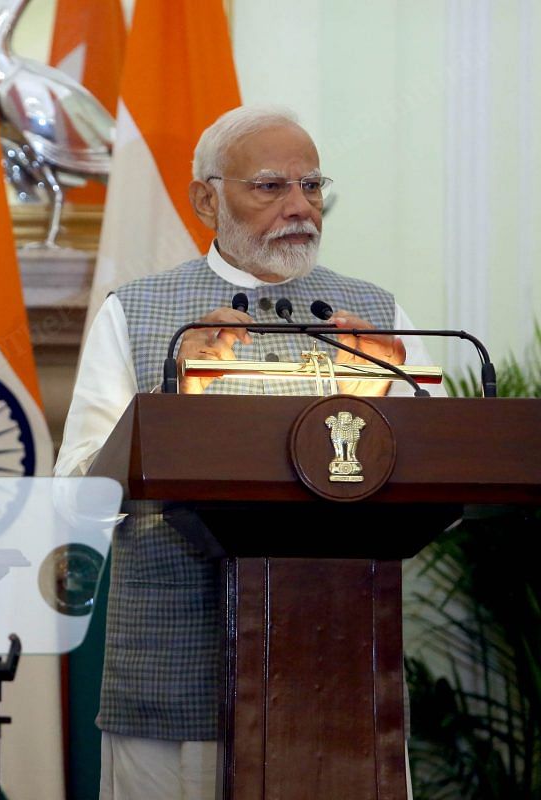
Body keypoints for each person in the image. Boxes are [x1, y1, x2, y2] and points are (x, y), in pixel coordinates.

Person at [54, 106, 436, 800]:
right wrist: (171, 392)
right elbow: (79, 498)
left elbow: (445, 474)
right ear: (207, 198)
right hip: (175, 679)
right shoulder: (138, 312)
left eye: (312, 186)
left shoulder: (375, 314)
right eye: (271, 187)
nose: (301, 207)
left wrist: (397, 390)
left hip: (336, 677)